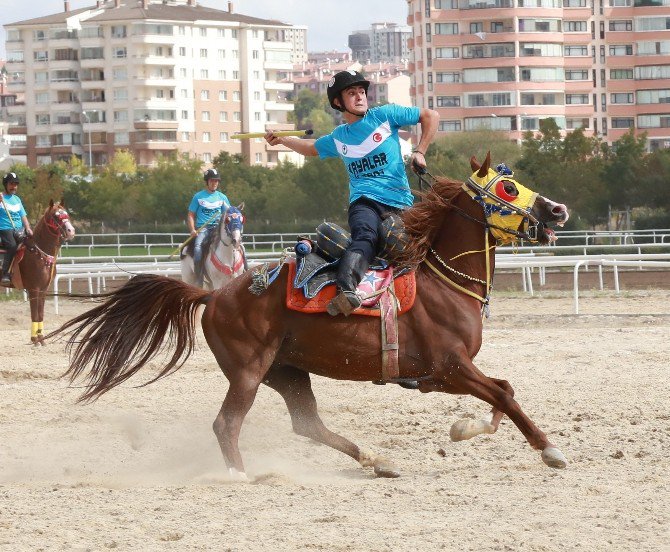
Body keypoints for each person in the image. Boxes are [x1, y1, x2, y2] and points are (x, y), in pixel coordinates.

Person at [265, 69, 439, 316]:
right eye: (352, 93)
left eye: (361, 92)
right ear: (338, 102)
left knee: (409, 241)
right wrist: (283, 140)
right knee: (365, 236)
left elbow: (430, 115)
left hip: (400, 203)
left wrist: (420, 151)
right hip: (364, 203)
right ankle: (345, 292)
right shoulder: (339, 137)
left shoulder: (386, 115)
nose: (360, 97)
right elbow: (311, 148)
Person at [187, 168, 230, 286]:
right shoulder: (198, 197)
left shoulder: (222, 198)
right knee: (197, 248)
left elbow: (229, 215)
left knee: (239, 246)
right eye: (212, 181)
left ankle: (244, 270)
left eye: (216, 181)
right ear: (207, 182)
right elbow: (191, 215)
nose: (214, 183)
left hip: (219, 229)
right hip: (203, 229)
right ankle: (199, 278)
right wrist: (192, 230)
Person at [0, 172, 33, 285]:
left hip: (19, 229)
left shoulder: (17, 199)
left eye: (15, 184)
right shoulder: (0, 197)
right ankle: (5, 274)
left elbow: (23, 216)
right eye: (11, 184)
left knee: (31, 245)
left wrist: (28, 228)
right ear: (6, 184)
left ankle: (30, 276)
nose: (14, 186)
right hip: (5, 229)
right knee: (12, 246)